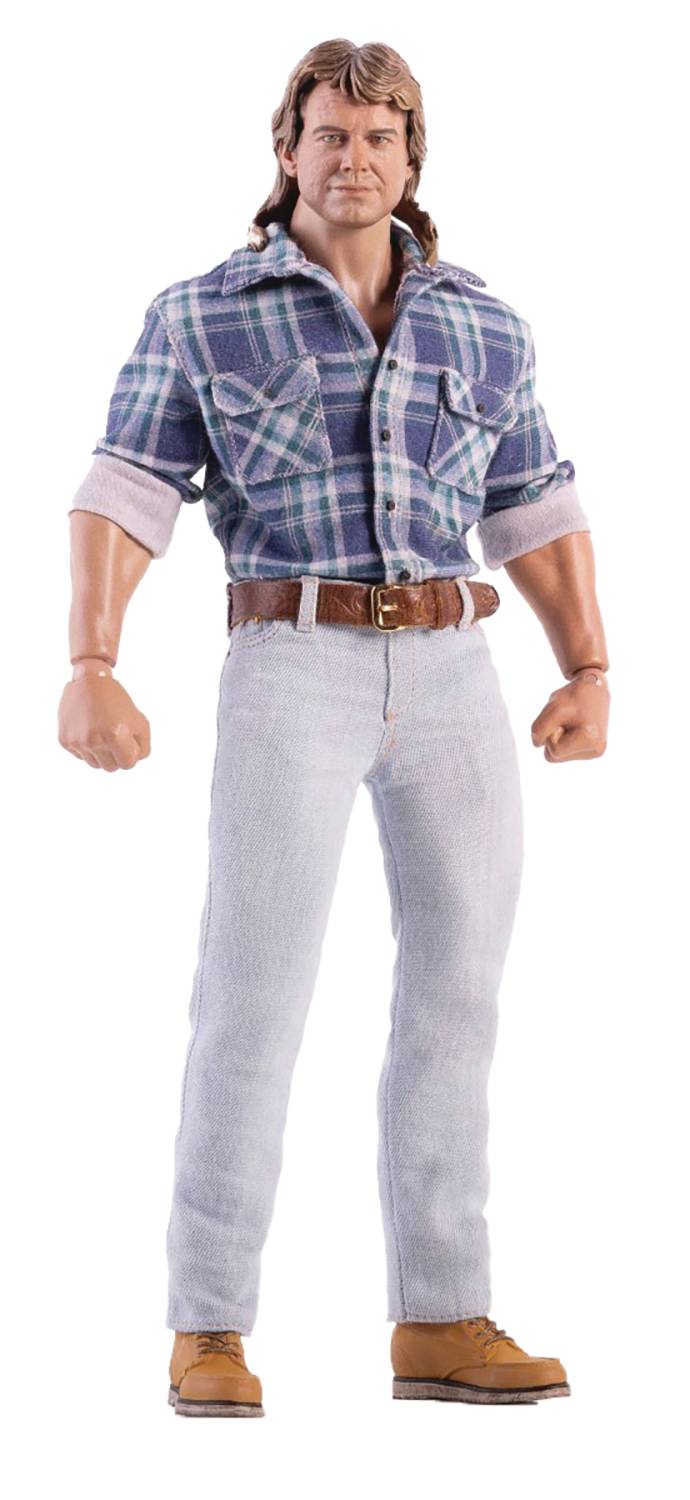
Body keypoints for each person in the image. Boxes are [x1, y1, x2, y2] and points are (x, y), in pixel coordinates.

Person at [58, 39, 610, 1415]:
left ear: (413, 157)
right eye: (329, 134)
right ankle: (208, 1324)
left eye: (379, 136)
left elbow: (536, 504)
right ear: (286, 149)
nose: (353, 157)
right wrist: (92, 659)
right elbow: (124, 489)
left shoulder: (483, 325)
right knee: (252, 993)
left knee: (458, 993)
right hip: (290, 660)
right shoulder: (203, 313)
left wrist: (589, 664)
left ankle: (441, 1312)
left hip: (454, 667)